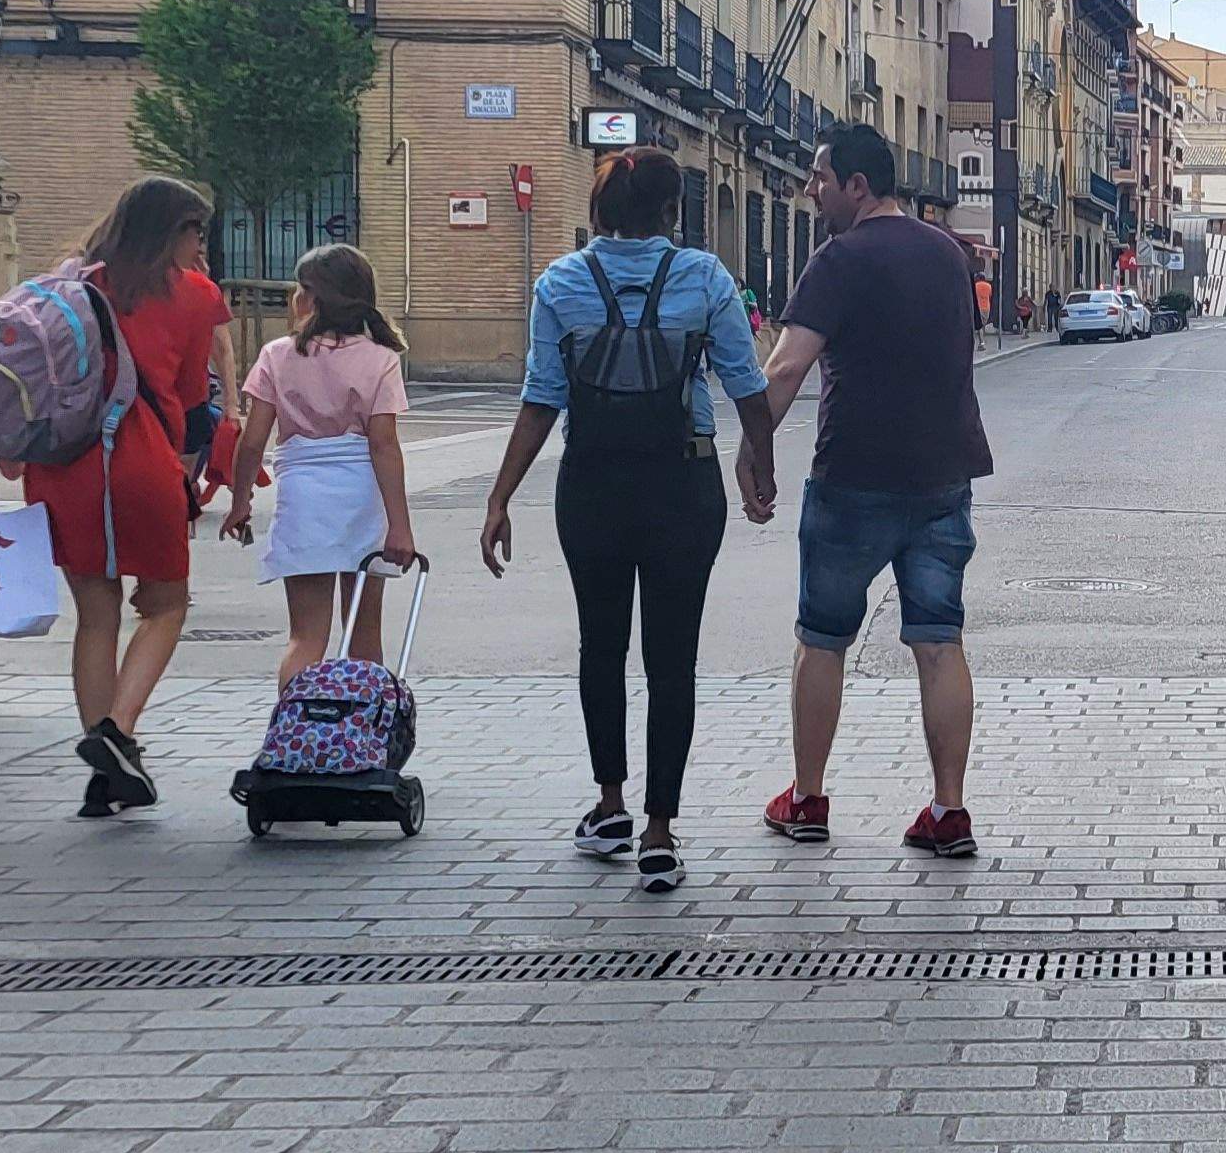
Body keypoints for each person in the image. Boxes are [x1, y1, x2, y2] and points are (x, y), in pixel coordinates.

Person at [480, 149, 777, 894]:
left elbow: (543, 398)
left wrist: (499, 498)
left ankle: (610, 805)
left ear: (600, 212)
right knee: (673, 659)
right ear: (673, 213)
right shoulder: (707, 279)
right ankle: (660, 832)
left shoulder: (561, 282)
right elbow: (745, 385)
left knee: (600, 646)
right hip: (684, 482)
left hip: (592, 485)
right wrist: (758, 466)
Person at [747, 125, 999, 857]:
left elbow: (788, 367)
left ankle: (806, 799)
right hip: (944, 475)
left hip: (853, 476)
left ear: (857, 186)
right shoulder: (948, 255)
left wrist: (752, 452)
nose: (810, 190)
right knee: (939, 641)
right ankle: (949, 811)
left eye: (819, 178)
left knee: (822, 641)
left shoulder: (841, 256)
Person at [26, 177, 230, 820]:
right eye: (196, 231)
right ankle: (117, 731)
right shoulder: (194, 294)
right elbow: (197, 400)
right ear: (174, 232)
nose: (201, 244)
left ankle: (104, 773)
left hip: (62, 466)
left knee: (95, 612)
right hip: (140, 459)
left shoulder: (74, 283)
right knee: (166, 603)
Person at [220, 244, 417, 684]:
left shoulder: (277, 355)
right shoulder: (381, 360)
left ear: (311, 298)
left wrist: (240, 500)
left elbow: (252, 442)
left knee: (305, 638)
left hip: (303, 497)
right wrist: (400, 525)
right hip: (361, 496)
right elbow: (384, 446)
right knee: (364, 636)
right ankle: (364, 738)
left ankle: (295, 734)